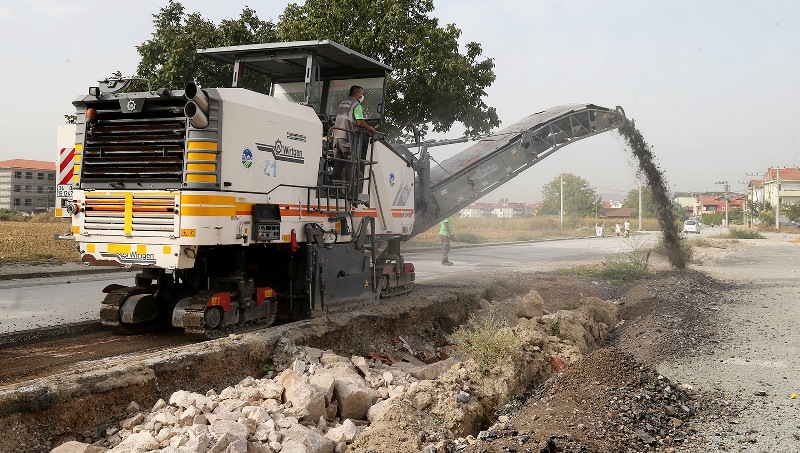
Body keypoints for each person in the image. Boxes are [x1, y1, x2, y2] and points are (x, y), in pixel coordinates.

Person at [332, 85, 377, 185]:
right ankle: (349, 189)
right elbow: (360, 122)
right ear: (357, 94)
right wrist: (370, 128)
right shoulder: (356, 105)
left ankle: (335, 189)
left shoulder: (343, 103)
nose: (362, 96)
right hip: (346, 136)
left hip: (336, 136)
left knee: (338, 163)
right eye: (362, 94)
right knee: (350, 161)